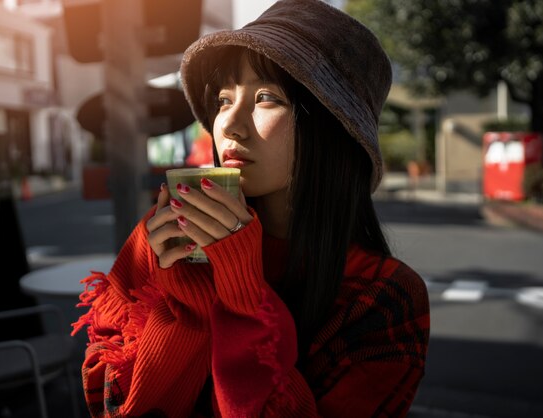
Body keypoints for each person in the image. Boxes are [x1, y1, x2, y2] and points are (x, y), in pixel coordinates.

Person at [72, 0, 430, 416]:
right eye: (223, 99)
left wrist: (243, 294)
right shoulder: (168, 237)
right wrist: (186, 307)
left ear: (332, 129)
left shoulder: (384, 296)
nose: (229, 124)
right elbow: (110, 405)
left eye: (265, 97)